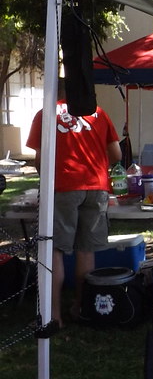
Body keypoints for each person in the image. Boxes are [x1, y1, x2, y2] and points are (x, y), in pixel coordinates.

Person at [27, 79, 122, 326]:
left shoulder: (45, 114)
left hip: (62, 187)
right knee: (85, 250)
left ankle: (54, 314)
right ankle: (81, 306)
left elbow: (40, 160)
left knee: (55, 249)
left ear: (55, 92)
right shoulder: (98, 113)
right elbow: (116, 154)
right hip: (97, 187)